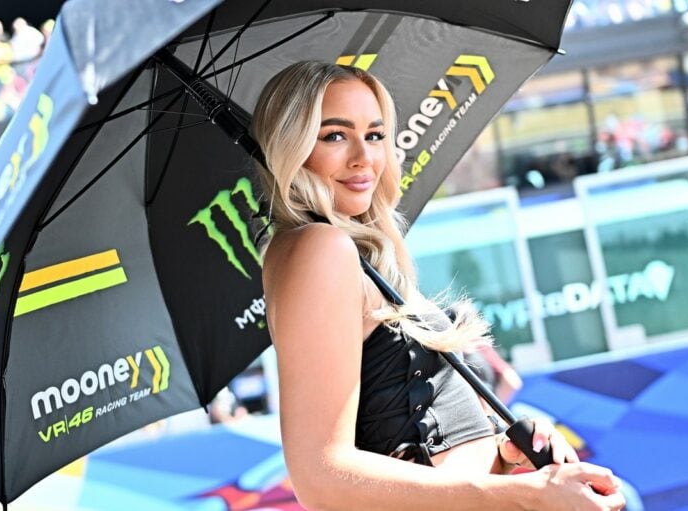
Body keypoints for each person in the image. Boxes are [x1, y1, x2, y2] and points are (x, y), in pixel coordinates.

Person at [250, 61, 625, 511]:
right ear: (291, 146)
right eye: (334, 135)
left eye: (375, 134)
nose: (364, 157)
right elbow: (321, 477)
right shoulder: (320, 248)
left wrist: (501, 453)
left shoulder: (339, 250)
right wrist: (527, 495)